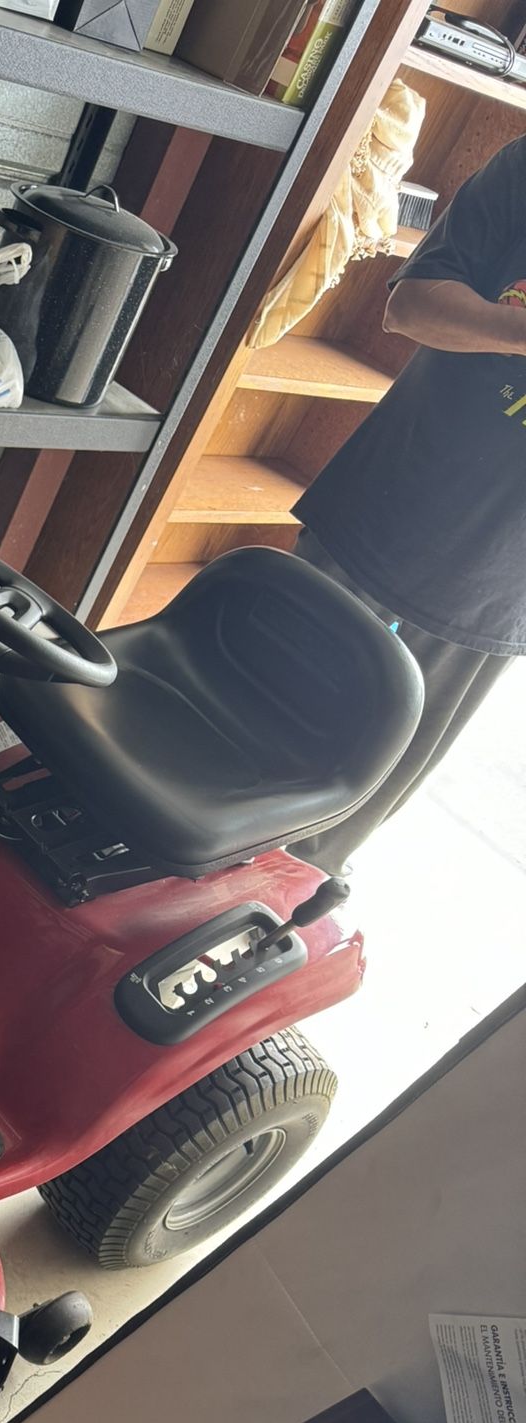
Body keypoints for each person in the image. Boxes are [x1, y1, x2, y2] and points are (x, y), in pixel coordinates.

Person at [287, 134, 526, 876]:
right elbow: (412, 306)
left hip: (492, 597)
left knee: (325, 836)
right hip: (376, 519)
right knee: (230, 730)